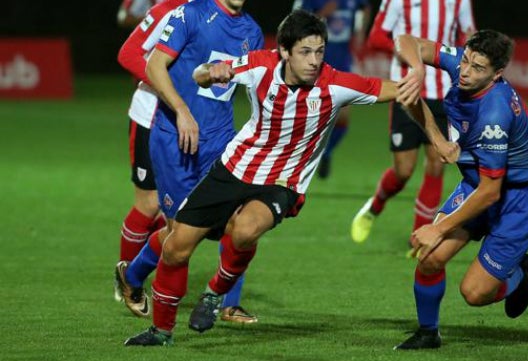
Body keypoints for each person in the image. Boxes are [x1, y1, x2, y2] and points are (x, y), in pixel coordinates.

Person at [123, 9, 458, 346]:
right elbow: (198, 74)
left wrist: (439, 139)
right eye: (305, 52)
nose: (314, 61)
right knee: (176, 247)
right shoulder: (258, 65)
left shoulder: (337, 85)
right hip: (234, 167)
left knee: (245, 230)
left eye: (320, 51)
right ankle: (160, 331)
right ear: (284, 51)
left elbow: (405, 95)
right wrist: (211, 72)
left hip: (283, 182)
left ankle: (215, 293)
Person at [391, 30, 528, 350]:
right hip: (479, 180)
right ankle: (428, 333)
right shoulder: (464, 65)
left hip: (523, 195)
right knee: (430, 257)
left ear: (497, 74)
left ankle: (519, 272)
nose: (465, 71)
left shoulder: (494, 113)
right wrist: (418, 69)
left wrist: (436, 227)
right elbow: (405, 41)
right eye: (465, 61)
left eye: (477, 68)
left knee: (475, 294)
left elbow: (490, 194)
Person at [114, 0, 264, 324]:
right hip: (171, 132)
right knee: (175, 231)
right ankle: (133, 277)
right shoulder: (182, 11)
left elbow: (257, 85)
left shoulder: (252, 30)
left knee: (241, 220)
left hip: (220, 138)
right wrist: (180, 104)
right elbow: (143, 59)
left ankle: (227, 303)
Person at [351, 0, 476, 245]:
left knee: (436, 164)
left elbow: (468, 37)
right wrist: (412, 54)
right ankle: (375, 206)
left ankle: (418, 238)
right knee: (403, 170)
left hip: (444, 92)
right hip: (407, 88)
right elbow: (376, 38)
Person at [113, 0, 183, 307]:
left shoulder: (222, 15)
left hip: (188, 123)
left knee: (176, 208)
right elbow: (128, 53)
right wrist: (166, 84)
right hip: (150, 117)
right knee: (149, 202)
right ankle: (128, 281)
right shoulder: (169, 8)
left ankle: (155, 280)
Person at [293, 0, 372, 179]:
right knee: (310, 117)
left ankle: (325, 153)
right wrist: (322, 14)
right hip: (316, 64)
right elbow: (299, 26)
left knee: (343, 120)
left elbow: (366, 7)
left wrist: (361, 31)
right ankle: (298, 161)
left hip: (342, 64)